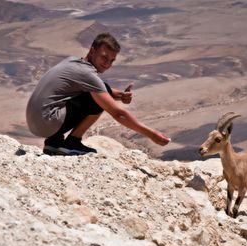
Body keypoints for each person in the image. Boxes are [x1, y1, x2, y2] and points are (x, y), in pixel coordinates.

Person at [26, 32, 170, 155]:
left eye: (111, 61)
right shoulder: (86, 74)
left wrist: (120, 95)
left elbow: (96, 89)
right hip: (47, 123)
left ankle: (54, 143)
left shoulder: (72, 61)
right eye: (104, 57)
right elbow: (118, 113)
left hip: (35, 123)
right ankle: (72, 143)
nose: (107, 64)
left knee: (101, 90)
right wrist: (151, 134)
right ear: (92, 51)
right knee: (98, 97)